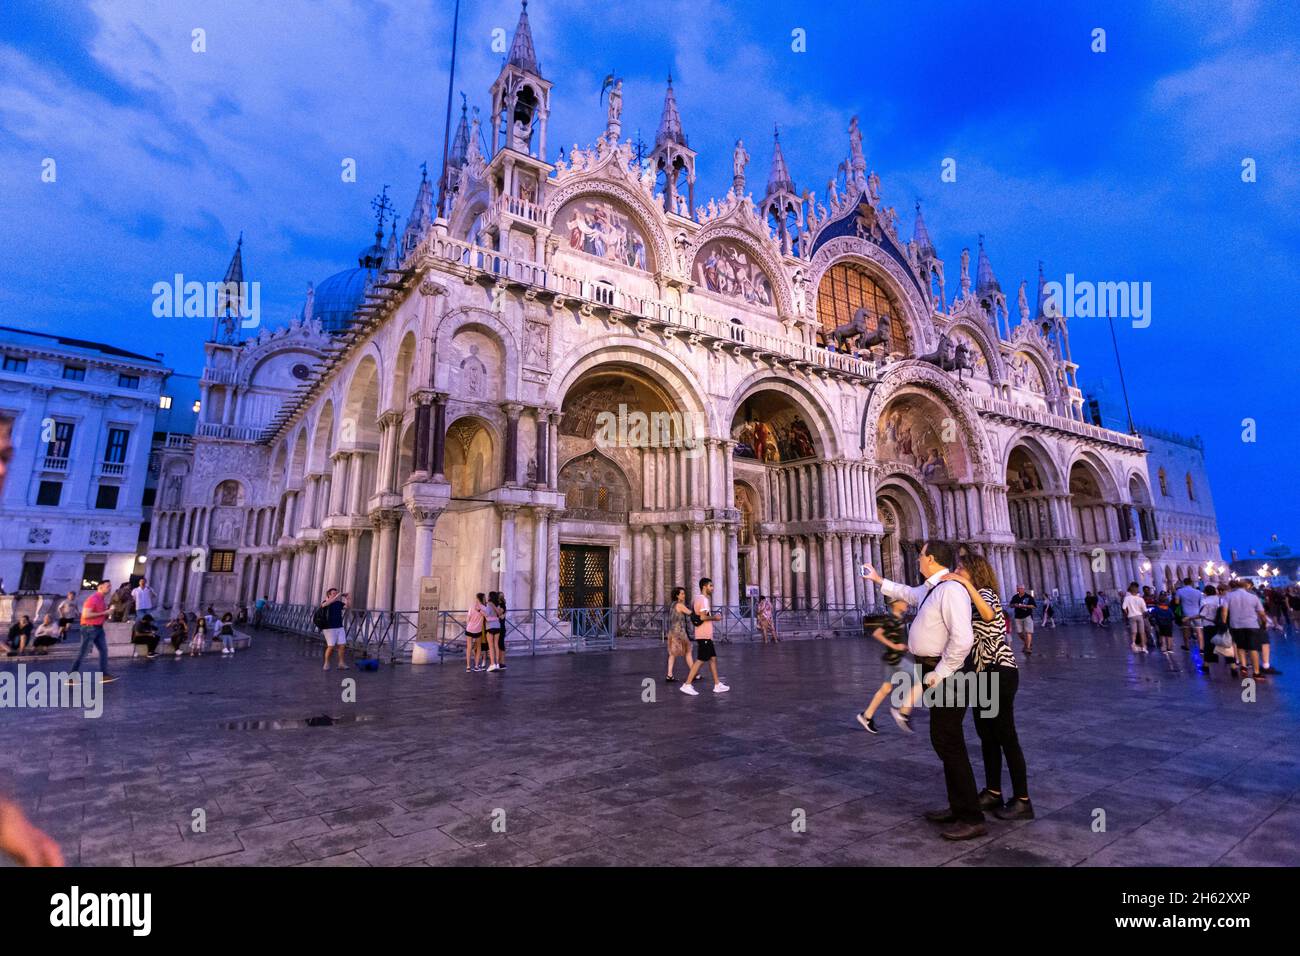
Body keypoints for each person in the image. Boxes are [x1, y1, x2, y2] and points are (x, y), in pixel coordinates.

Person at [863, 541, 984, 841]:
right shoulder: (932, 588)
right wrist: (879, 580)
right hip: (935, 671)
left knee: (949, 741)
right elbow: (907, 593)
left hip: (949, 675)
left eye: (920, 555)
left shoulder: (952, 590)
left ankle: (971, 816)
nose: (916, 559)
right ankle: (958, 807)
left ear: (930, 559)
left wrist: (940, 673)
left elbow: (963, 640)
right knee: (942, 739)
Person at [944, 551, 1033, 820]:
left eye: (961, 568)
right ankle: (993, 792)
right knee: (986, 735)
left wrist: (967, 586)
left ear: (974, 572)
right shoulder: (969, 598)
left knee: (1006, 735)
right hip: (981, 672)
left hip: (999, 670)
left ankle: (1023, 800)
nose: (957, 571)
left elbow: (987, 615)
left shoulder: (986, 594)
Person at [855, 598, 909, 734]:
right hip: (894, 659)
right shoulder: (891, 619)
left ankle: (866, 716)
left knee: (886, 689)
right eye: (903, 601)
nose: (906, 603)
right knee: (919, 680)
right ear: (895, 604)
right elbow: (877, 634)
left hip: (894, 658)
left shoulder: (900, 619)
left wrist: (905, 647)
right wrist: (895, 646)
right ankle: (902, 713)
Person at [680, 577, 729, 695]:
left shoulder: (697, 598)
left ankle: (717, 684)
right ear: (704, 587)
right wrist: (715, 618)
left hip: (705, 635)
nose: (712, 588)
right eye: (710, 586)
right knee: (700, 660)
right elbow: (702, 617)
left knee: (712, 658)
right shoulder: (703, 600)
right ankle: (687, 684)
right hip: (704, 634)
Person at [69, 579, 116, 683]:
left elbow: (102, 615)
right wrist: (105, 612)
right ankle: (71, 677)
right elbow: (86, 615)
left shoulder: (102, 600)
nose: (109, 588)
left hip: (98, 628)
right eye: (107, 586)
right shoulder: (93, 598)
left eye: (110, 586)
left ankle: (104, 675)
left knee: (104, 650)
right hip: (89, 628)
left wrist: (109, 613)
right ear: (100, 587)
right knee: (83, 652)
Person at [1223, 579, 1267, 680]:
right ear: (1246, 587)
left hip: (1236, 625)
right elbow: (1262, 614)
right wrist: (1264, 623)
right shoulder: (1253, 597)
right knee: (1253, 648)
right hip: (1252, 625)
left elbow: (1224, 611)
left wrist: (1224, 623)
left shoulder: (1229, 596)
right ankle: (1256, 673)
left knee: (1240, 646)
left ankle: (1243, 666)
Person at [664, 586, 696, 682]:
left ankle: (669, 675)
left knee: (672, 654)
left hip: (672, 633)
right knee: (688, 651)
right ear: (677, 595)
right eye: (682, 594)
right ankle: (694, 673)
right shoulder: (680, 605)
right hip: (680, 634)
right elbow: (690, 613)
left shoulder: (672, 605)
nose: (684, 595)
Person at [319, 588, 348, 670]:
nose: (335, 594)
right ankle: (326, 662)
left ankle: (341, 663)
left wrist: (347, 598)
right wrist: (338, 596)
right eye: (333, 593)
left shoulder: (338, 603)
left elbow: (346, 606)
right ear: (329, 595)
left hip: (339, 626)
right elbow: (324, 605)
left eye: (336, 593)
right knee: (331, 646)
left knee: (342, 645)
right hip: (329, 628)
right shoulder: (325, 603)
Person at [1175, 577, 1204, 652]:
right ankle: (1201, 648)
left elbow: (1177, 602)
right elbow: (1201, 603)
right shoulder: (1198, 592)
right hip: (1196, 613)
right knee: (1198, 630)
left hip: (1186, 613)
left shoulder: (1179, 591)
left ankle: (1187, 646)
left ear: (1184, 583)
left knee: (1186, 629)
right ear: (1191, 583)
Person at [1008, 585, 1036, 655]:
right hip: (1018, 616)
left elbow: (1034, 606)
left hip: (1027, 616)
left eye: (1020, 588)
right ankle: (1027, 642)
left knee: (1028, 632)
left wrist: (1025, 606)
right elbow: (1010, 605)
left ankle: (1028, 648)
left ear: (1023, 589)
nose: (1018, 589)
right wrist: (1015, 605)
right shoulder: (1015, 597)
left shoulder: (1028, 597)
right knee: (1019, 632)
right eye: (1018, 588)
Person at [1122, 582, 1149, 653]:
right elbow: (1145, 610)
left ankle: (1133, 643)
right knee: (1142, 632)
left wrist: (1127, 613)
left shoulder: (1127, 598)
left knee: (1134, 632)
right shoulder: (1140, 599)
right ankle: (1143, 647)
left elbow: (1124, 608)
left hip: (1131, 616)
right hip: (1139, 616)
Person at [465, 594, 488, 673]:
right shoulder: (484, 608)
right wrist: (480, 611)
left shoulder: (471, 606)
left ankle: (468, 667)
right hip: (478, 630)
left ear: (478, 599)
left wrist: (468, 625)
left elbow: (468, 618)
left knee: (469, 647)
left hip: (470, 629)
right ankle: (476, 666)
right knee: (478, 648)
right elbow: (487, 616)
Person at [484, 591, 503, 673]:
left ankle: (492, 664)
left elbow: (487, 614)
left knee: (491, 646)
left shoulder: (489, 605)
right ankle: (498, 663)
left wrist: (481, 612)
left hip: (490, 626)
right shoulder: (497, 605)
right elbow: (499, 614)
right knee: (496, 645)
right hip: (497, 626)